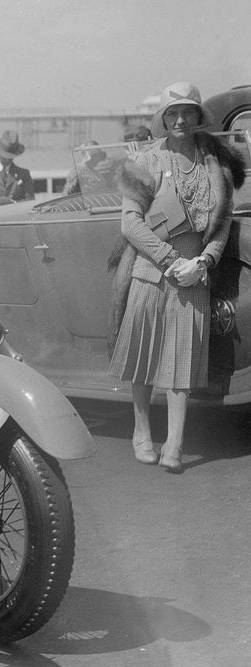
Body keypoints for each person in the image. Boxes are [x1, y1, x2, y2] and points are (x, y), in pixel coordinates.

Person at [109, 82, 243, 473]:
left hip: (195, 274)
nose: (180, 120)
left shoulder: (214, 165)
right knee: (143, 357)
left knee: (183, 361)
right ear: (164, 120)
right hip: (152, 271)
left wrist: (204, 261)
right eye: (172, 114)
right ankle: (140, 433)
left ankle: (175, 444)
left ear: (199, 118)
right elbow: (130, 223)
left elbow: (222, 223)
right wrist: (170, 259)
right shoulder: (145, 162)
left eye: (187, 112)